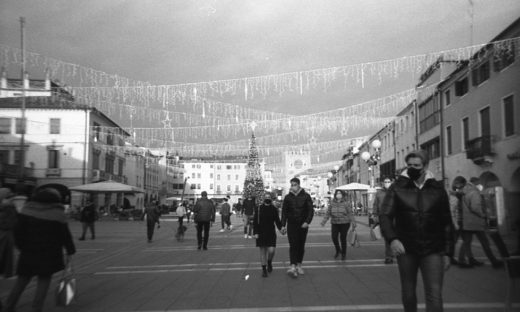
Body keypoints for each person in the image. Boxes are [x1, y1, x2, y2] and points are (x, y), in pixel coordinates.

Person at [380, 150, 454, 312]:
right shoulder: (397, 187)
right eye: (410, 165)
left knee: (434, 293)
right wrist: (393, 239)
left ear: (425, 166)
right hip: (406, 247)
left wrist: (448, 252)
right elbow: (385, 215)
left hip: (433, 248)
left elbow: (446, 221)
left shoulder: (437, 188)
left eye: (417, 165)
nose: (412, 168)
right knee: (408, 292)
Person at [5, 187, 76, 312]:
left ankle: (9, 306)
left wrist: (22, 246)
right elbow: (65, 235)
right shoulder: (58, 213)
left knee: (22, 281)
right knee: (44, 281)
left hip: (28, 251)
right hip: (49, 253)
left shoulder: (27, 210)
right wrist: (70, 251)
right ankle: (36, 308)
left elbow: (18, 231)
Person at [452, 176, 503, 268]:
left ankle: (462, 260)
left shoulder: (464, 193)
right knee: (484, 242)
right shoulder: (474, 192)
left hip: (467, 222)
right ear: (475, 183)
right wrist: (483, 215)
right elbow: (476, 207)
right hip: (476, 221)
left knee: (466, 242)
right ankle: (494, 261)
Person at [281, 177, 314, 278]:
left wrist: (307, 222)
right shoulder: (287, 197)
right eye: (291, 185)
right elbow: (284, 212)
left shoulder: (306, 196)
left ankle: (299, 265)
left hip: (302, 225)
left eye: (294, 184)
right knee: (293, 245)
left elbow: (310, 211)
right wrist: (283, 225)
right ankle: (292, 265)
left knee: (300, 245)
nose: (293, 187)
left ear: (299, 185)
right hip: (292, 224)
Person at [321, 189, 356, 260]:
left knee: (343, 238)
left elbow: (350, 213)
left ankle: (343, 253)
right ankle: (338, 250)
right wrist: (324, 221)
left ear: (342, 195)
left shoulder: (346, 203)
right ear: (335, 195)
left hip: (345, 223)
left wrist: (353, 222)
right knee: (334, 237)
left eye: (340, 193)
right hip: (335, 223)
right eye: (337, 193)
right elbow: (328, 213)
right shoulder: (332, 203)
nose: (338, 195)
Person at [253, 193, 283, 277]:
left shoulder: (274, 209)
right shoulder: (259, 208)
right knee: (263, 252)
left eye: (269, 197)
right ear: (263, 198)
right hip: (261, 232)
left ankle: (269, 262)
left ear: (271, 198)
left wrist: (281, 229)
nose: (267, 199)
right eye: (266, 197)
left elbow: (277, 221)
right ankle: (264, 269)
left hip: (271, 232)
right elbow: (255, 221)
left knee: (271, 251)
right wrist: (255, 232)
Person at [0, 188, 17, 310]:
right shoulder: (8, 209)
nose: (11, 200)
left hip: (6, 242)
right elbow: (10, 224)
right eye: (8, 197)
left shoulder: (10, 208)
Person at [373, 177, 394, 264]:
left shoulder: (395, 191)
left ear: (392, 182)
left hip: (395, 217)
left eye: (388, 181)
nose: (387, 183)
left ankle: (394, 252)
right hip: (384, 217)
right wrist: (375, 215)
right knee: (388, 237)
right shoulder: (379, 193)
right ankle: (388, 256)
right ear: (382, 183)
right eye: (385, 182)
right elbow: (375, 205)